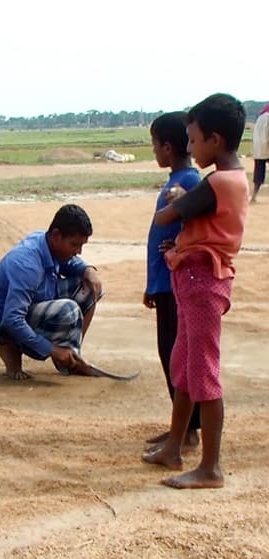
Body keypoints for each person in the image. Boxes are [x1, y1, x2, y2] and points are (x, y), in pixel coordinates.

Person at [143, 93, 249, 490]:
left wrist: (175, 200)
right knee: (184, 365)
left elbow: (167, 215)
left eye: (193, 140)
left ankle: (210, 468)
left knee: (202, 371)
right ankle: (174, 445)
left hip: (202, 281)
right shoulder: (233, 178)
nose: (190, 147)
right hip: (195, 278)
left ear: (215, 141)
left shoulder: (217, 181)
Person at [0, 204, 106, 380]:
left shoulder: (48, 242)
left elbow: (71, 263)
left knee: (90, 288)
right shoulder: (27, 264)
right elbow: (12, 319)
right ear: (56, 236)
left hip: (36, 303)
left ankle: (72, 355)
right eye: (74, 245)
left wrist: (88, 270)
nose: (78, 251)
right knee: (69, 310)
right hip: (2, 323)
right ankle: (9, 347)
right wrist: (52, 350)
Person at [144, 112, 202, 452]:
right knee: (168, 353)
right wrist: (151, 285)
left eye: (154, 145)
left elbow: (196, 225)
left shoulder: (189, 183)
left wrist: (179, 244)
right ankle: (179, 426)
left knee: (176, 356)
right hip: (163, 283)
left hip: (176, 282)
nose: (153, 151)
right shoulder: (177, 180)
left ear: (167, 146)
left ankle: (189, 430)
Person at [251, 103, 269, 203]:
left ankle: (254, 196)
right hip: (267, 147)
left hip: (258, 149)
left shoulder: (260, 118)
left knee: (258, 173)